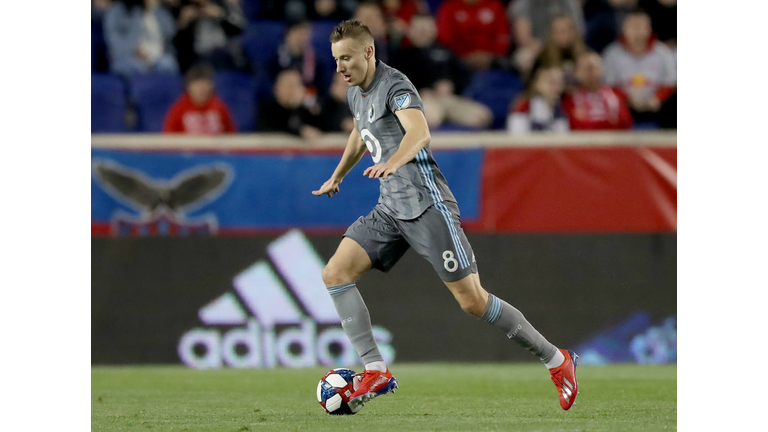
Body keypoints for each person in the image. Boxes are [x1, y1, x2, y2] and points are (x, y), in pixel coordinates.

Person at [312, 18, 579, 413]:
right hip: (390, 208)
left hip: (426, 206)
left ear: (368, 52)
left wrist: (394, 162)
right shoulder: (356, 93)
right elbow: (359, 131)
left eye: (346, 58)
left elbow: (419, 133)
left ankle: (557, 360)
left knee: (472, 301)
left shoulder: (395, 86)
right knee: (335, 273)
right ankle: (375, 369)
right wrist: (338, 174)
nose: (340, 67)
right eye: (336, 60)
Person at [396, 13, 492, 129]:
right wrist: (420, 91)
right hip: (422, 100)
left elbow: (464, 75)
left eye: (426, 28)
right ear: (410, 31)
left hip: (448, 98)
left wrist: (452, 85)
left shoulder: (446, 52)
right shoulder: (401, 56)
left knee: (483, 117)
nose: (423, 32)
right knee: (429, 118)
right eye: (419, 28)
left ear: (434, 30)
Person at [602, 8, 675, 124]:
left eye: (641, 27)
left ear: (649, 29)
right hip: (622, 109)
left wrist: (657, 98)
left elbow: (671, 83)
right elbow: (609, 85)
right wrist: (628, 100)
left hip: (658, 108)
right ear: (624, 29)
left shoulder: (663, 53)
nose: (637, 32)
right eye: (632, 27)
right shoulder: (612, 54)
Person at [508, 0, 585, 77]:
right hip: (538, 48)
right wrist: (549, 47)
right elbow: (524, 40)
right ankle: (532, 85)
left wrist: (562, 41)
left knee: (591, 60)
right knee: (524, 57)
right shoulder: (522, 4)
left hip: (567, 45)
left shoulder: (570, 3)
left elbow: (579, 34)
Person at [104, 0, 179, 76]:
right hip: (127, 56)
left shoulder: (160, 11)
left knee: (168, 63)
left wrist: (152, 9)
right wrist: (134, 49)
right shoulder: (116, 11)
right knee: (132, 66)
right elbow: (114, 41)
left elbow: (170, 33)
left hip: (155, 56)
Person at [562, 51, 633, 130]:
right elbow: (575, 125)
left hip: (615, 140)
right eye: (585, 68)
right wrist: (608, 122)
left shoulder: (616, 94)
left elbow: (625, 122)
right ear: (576, 72)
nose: (589, 73)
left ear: (602, 70)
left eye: (592, 67)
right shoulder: (569, 99)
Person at [173, 0, 248, 72]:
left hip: (224, 50)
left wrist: (222, 16)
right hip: (198, 55)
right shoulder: (184, 9)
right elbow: (177, 43)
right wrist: (183, 24)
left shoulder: (221, 4)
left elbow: (241, 27)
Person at [435, 0, 510, 70]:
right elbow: (445, 38)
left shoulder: (494, 5)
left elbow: (502, 36)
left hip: (493, 60)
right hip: (459, 61)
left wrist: (491, 56)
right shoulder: (449, 8)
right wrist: (463, 57)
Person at [162, 64, 237, 134]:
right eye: (197, 85)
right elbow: (169, 138)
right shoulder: (178, 109)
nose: (201, 89)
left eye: (205, 84)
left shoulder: (219, 106)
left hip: (215, 147)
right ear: (188, 86)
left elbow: (230, 134)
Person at [258, 69, 324, 139]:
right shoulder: (267, 108)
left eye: (297, 85)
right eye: (289, 85)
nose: (293, 90)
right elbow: (277, 129)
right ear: (277, 88)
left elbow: (324, 126)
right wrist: (300, 131)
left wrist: (310, 104)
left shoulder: (305, 108)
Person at [529, 14, 589, 88]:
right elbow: (533, 84)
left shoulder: (586, 54)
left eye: (565, 30)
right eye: (557, 31)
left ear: (574, 32)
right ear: (551, 34)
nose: (562, 35)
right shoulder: (543, 57)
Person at [507, 66, 569, 134]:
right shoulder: (524, 106)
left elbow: (563, 138)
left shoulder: (560, 108)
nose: (557, 87)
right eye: (551, 82)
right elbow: (517, 138)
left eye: (560, 83)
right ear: (537, 83)